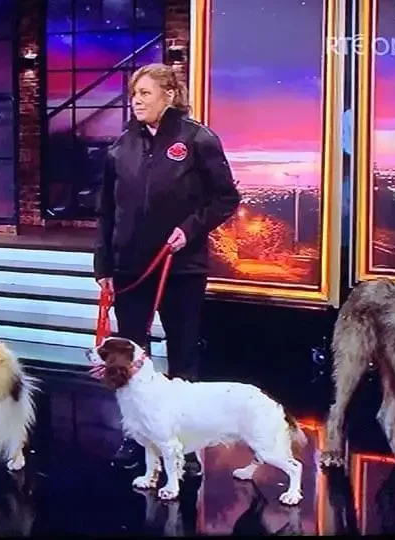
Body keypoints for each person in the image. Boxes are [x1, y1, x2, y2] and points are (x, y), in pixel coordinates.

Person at [93, 63, 240, 471]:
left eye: (145, 93)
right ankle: (136, 437)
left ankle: (186, 444)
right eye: (134, 94)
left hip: (181, 268)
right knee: (128, 358)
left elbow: (226, 199)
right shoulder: (120, 146)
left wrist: (189, 230)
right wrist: (103, 264)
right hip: (129, 268)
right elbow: (106, 212)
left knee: (183, 354)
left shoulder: (198, 139)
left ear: (169, 94)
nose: (136, 101)